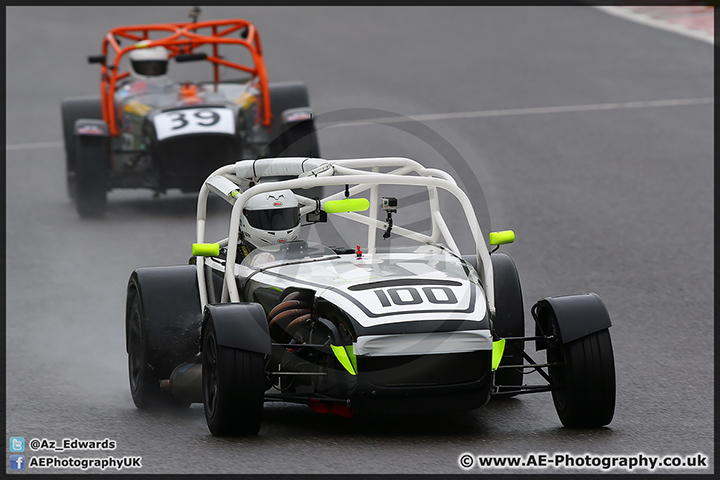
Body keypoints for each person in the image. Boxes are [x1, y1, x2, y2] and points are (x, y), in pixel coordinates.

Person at [237, 189, 302, 262]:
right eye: (265, 220)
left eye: (287, 218)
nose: (279, 225)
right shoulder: (233, 258)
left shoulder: (302, 254)